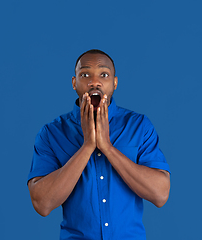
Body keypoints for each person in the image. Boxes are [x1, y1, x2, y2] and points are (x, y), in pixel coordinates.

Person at [27, 49, 171, 240]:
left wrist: (107, 148)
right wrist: (87, 146)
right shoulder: (51, 133)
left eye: (104, 74)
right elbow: (42, 204)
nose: (94, 82)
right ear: (74, 83)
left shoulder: (139, 126)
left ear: (115, 83)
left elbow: (160, 194)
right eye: (85, 74)